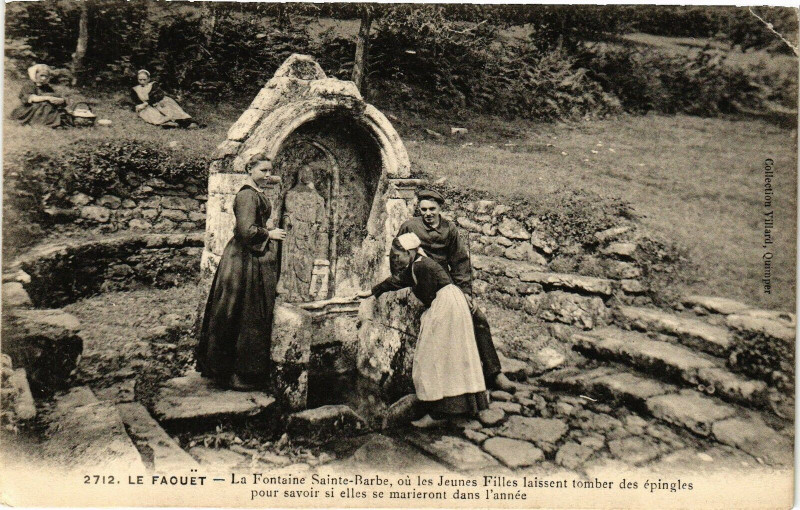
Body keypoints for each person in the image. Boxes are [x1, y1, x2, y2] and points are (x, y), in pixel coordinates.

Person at [387, 189, 517, 393]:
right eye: (423, 210)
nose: (428, 213)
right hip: (422, 283)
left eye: (432, 209)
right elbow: (397, 256)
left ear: (440, 209)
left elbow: (460, 263)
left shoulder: (450, 229)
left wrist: (465, 292)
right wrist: (406, 281)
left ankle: (494, 373)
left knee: (478, 317)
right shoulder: (410, 227)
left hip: (446, 284)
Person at [371, 233, 488, 427]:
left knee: (433, 357)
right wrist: (372, 292)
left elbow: (427, 294)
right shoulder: (417, 263)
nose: (396, 259)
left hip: (446, 307)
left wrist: (430, 315)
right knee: (452, 358)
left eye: (398, 255)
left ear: (409, 253)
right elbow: (396, 281)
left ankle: (439, 414)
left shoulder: (421, 266)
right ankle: (459, 409)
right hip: (450, 305)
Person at [195, 159, 286, 391]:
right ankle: (238, 374)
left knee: (244, 311)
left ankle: (238, 372)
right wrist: (270, 234)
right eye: (263, 170)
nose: (268, 174)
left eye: (269, 170)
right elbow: (245, 231)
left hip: (249, 258)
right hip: (244, 260)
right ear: (249, 170)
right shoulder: (247, 195)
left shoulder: (256, 192)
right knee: (245, 312)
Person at [130, 69, 198, 129]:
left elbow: (158, 95)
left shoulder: (153, 85)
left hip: (158, 101)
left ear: (148, 79)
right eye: (140, 80)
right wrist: (140, 105)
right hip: (147, 106)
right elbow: (136, 100)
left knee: (169, 109)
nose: (142, 81)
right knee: (151, 114)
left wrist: (148, 103)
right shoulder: (135, 89)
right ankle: (169, 123)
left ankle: (186, 122)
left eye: (144, 79)